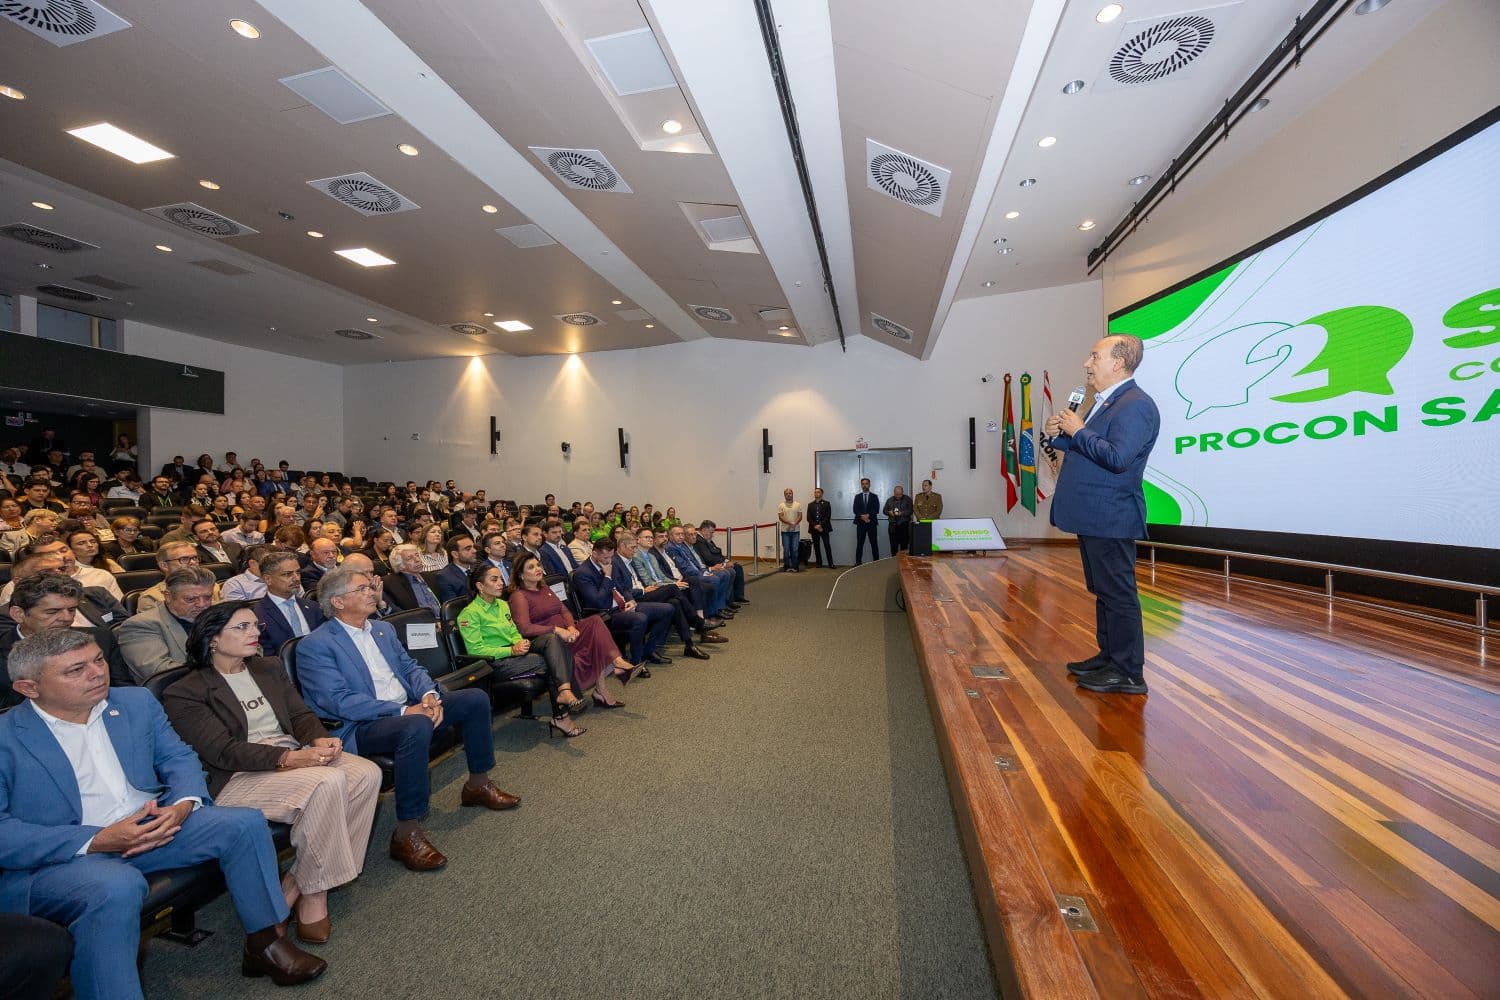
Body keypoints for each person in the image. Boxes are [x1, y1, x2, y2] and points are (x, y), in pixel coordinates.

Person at [0, 629, 326, 1000]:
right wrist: (96, 840)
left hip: (152, 824)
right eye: (76, 670)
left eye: (98, 660)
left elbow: (177, 757)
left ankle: (265, 942)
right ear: (29, 688)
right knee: (116, 887)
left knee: (244, 822)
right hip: (63, 855)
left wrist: (184, 803)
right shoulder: (7, 737)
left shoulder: (134, 702)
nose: (97, 673)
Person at [163, 602, 382, 944]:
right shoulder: (185, 691)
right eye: (242, 627)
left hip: (289, 754)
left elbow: (299, 715)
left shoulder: (268, 668)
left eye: (255, 626)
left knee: (366, 774)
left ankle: (298, 881)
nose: (254, 633)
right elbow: (223, 751)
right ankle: (315, 896)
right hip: (236, 776)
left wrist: (319, 738)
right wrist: (292, 759)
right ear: (213, 639)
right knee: (328, 781)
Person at [295, 565, 519, 871]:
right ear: (337, 602)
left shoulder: (383, 629)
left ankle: (478, 784)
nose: (372, 593)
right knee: (416, 724)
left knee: (474, 699)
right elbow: (337, 701)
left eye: (370, 587)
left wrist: (429, 696)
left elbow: (411, 668)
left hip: (409, 707)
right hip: (362, 724)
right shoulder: (316, 645)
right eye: (361, 589)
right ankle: (407, 831)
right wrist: (403, 710)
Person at [1044, 334, 1161, 696]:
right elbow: (1092, 448)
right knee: (1104, 590)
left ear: (1118, 363)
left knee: (1119, 593)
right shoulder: (1107, 402)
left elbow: (1116, 457)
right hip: (1094, 515)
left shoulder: (1135, 405)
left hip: (1110, 515)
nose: (1087, 363)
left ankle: (1128, 672)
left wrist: (1077, 429)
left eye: (1095, 356)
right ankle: (1109, 657)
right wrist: (1062, 435)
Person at [457, 564, 587, 737]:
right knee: (553, 660)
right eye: (494, 580)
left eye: (500, 579)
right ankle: (562, 712)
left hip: (516, 654)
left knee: (552, 639)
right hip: (495, 663)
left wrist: (521, 643)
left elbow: (513, 632)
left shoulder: (502, 605)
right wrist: (512, 650)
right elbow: (476, 649)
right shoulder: (469, 614)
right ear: (480, 586)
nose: (500, 583)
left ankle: (564, 697)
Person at [506, 552, 638, 708]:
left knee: (595, 621)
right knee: (595, 637)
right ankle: (603, 687)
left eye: (538, 565)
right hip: (550, 641)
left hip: (566, 633)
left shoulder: (544, 588)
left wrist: (571, 627)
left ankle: (618, 662)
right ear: (521, 575)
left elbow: (564, 611)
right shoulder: (519, 596)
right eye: (531, 567)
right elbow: (525, 628)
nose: (537, 569)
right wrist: (557, 630)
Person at [1, 573, 131, 708]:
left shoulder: (100, 639)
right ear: (18, 614)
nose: (67, 618)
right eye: (52, 612)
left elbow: (124, 692)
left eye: (72, 610)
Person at [572, 536, 673, 667]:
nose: (609, 561)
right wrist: (607, 577)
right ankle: (637, 661)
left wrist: (631, 600)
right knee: (640, 618)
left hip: (622, 605)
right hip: (607, 613)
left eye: (611, 557)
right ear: (595, 553)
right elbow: (598, 601)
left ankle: (648, 651)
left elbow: (622, 587)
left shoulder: (609, 563)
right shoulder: (583, 573)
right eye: (605, 558)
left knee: (668, 609)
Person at [117, 567, 216, 682]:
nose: (202, 604)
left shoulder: (221, 613)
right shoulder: (141, 625)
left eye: (208, 597)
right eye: (191, 599)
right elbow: (160, 672)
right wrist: (221, 668)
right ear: (168, 596)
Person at [254, 550, 325, 654]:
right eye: (287, 574)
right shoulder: (258, 615)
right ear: (268, 579)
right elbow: (268, 659)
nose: (296, 578)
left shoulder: (313, 607)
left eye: (298, 572)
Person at [689, 522, 747, 603]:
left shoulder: (707, 540)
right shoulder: (700, 541)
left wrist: (726, 561)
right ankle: (726, 601)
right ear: (704, 530)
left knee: (736, 567)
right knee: (729, 571)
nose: (712, 535)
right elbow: (708, 558)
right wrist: (724, 564)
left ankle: (735, 597)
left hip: (715, 563)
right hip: (710, 565)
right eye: (711, 532)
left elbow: (717, 552)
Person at [852, 478, 880, 564]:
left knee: (874, 543)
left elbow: (876, 509)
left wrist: (868, 515)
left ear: (869, 484)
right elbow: (855, 509)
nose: (864, 485)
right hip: (860, 523)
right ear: (861, 485)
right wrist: (862, 516)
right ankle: (858, 562)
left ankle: (876, 562)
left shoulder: (874, 496)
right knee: (859, 544)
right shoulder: (857, 496)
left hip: (871, 523)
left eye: (866, 483)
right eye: (863, 484)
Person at [805, 488, 834, 568]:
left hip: (824, 528)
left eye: (818, 492)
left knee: (827, 545)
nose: (816, 493)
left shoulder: (827, 504)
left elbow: (828, 516)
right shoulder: (810, 505)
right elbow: (808, 518)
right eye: (815, 492)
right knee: (816, 546)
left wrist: (820, 525)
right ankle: (819, 563)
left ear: (822, 493)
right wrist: (815, 526)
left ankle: (830, 563)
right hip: (814, 529)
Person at [776, 487, 803, 573]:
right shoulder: (781, 505)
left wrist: (794, 523)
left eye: (790, 493)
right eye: (786, 493)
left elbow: (800, 516)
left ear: (792, 494)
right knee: (786, 549)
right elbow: (780, 517)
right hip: (785, 531)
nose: (788, 495)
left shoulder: (797, 504)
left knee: (795, 549)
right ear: (784, 495)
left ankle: (795, 566)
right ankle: (786, 566)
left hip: (795, 531)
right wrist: (789, 523)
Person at [884, 485, 914, 555]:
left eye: (900, 494)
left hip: (904, 527)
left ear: (902, 492)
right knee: (893, 547)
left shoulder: (908, 499)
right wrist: (889, 512)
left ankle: (904, 564)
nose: (898, 496)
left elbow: (910, 511)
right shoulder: (889, 500)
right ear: (894, 493)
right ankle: (894, 564)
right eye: (897, 494)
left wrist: (902, 513)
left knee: (904, 547)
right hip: (892, 527)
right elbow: (884, 510)